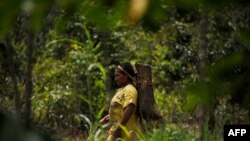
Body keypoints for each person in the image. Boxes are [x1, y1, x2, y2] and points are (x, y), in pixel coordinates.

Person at [99, 62, 140, 141]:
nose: (115, 78)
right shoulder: (123, 90)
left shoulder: (130, 90)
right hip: (116, 133)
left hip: (125, 135)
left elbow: (130, 108)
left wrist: (119, 129)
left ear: (126, 76)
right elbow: (121, 108)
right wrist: (109, 116)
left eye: (118, 75)